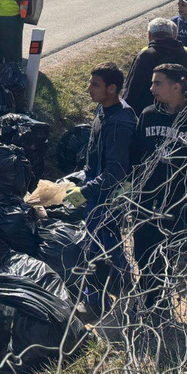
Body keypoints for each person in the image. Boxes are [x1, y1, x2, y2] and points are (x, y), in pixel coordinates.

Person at [129, 62, 187, 317]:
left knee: (166, 249)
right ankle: (147, 297)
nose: (151, 87)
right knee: (141, 248)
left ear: (177, 86)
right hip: (146, 196)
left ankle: (157, 302)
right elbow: (136, 154)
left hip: (178, 199)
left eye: (158, 82)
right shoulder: (148, 114)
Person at [64, 62, 138, 318]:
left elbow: (116, 171)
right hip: (97, 184)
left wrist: (87, 191)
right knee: (109, 240)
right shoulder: (105, 108)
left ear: (112, 88)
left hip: (108, 194)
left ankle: (95, 301)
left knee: (93, 248)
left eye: (95, 85)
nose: (88, 89)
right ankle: (127, 281)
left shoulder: (120, 122)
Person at [122, 18, 187, 114]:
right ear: (173, 35)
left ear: (149, 35)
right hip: (182, 118)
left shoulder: (146, 56)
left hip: (149, 120)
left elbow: (132, 92)